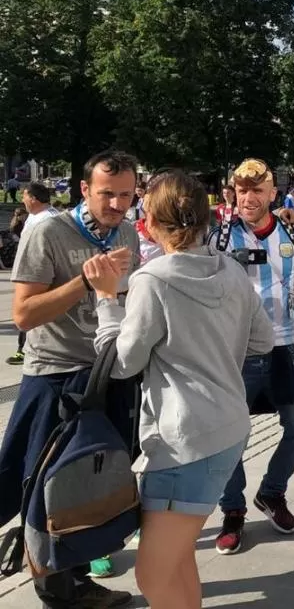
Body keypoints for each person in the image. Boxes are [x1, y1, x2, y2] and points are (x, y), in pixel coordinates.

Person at [84, 171, 275, 609]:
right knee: (178, 557)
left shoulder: (154, 280)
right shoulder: (230, 268)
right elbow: (263, 341)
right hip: (225, 427)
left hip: (182, 442)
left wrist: (106, 300)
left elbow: (122, 362)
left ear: (149, 222)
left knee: (152, 573)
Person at [0, 150, 141, 609]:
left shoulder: (125, 233)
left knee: (85, 484)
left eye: (126, 194)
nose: (118, 204)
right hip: (55, 374)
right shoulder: (49, 231)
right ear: (84, 189)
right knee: (34, 480)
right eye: (107, 194)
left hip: (106, 373)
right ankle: (54, 587)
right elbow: (22, 313)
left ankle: (72, 579)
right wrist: (84, 280)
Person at [207, 158, 294, 555]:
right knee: (231, 438)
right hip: (237, 352)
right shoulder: (220, 238)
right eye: (242, 189)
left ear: (273, 193)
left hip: (285, 346)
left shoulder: (292, 230)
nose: (248, 197)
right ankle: (233, 510)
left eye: (257, 190)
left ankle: (272, 493)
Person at [6, 183, 59, 366]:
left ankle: (29, 350)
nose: (22, 199)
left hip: (42, 276)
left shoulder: (50, 220)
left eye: (25, 195)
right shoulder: (35, 217)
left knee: (32, 313)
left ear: (34, 199)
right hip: (30, 274)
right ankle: (25, 349)